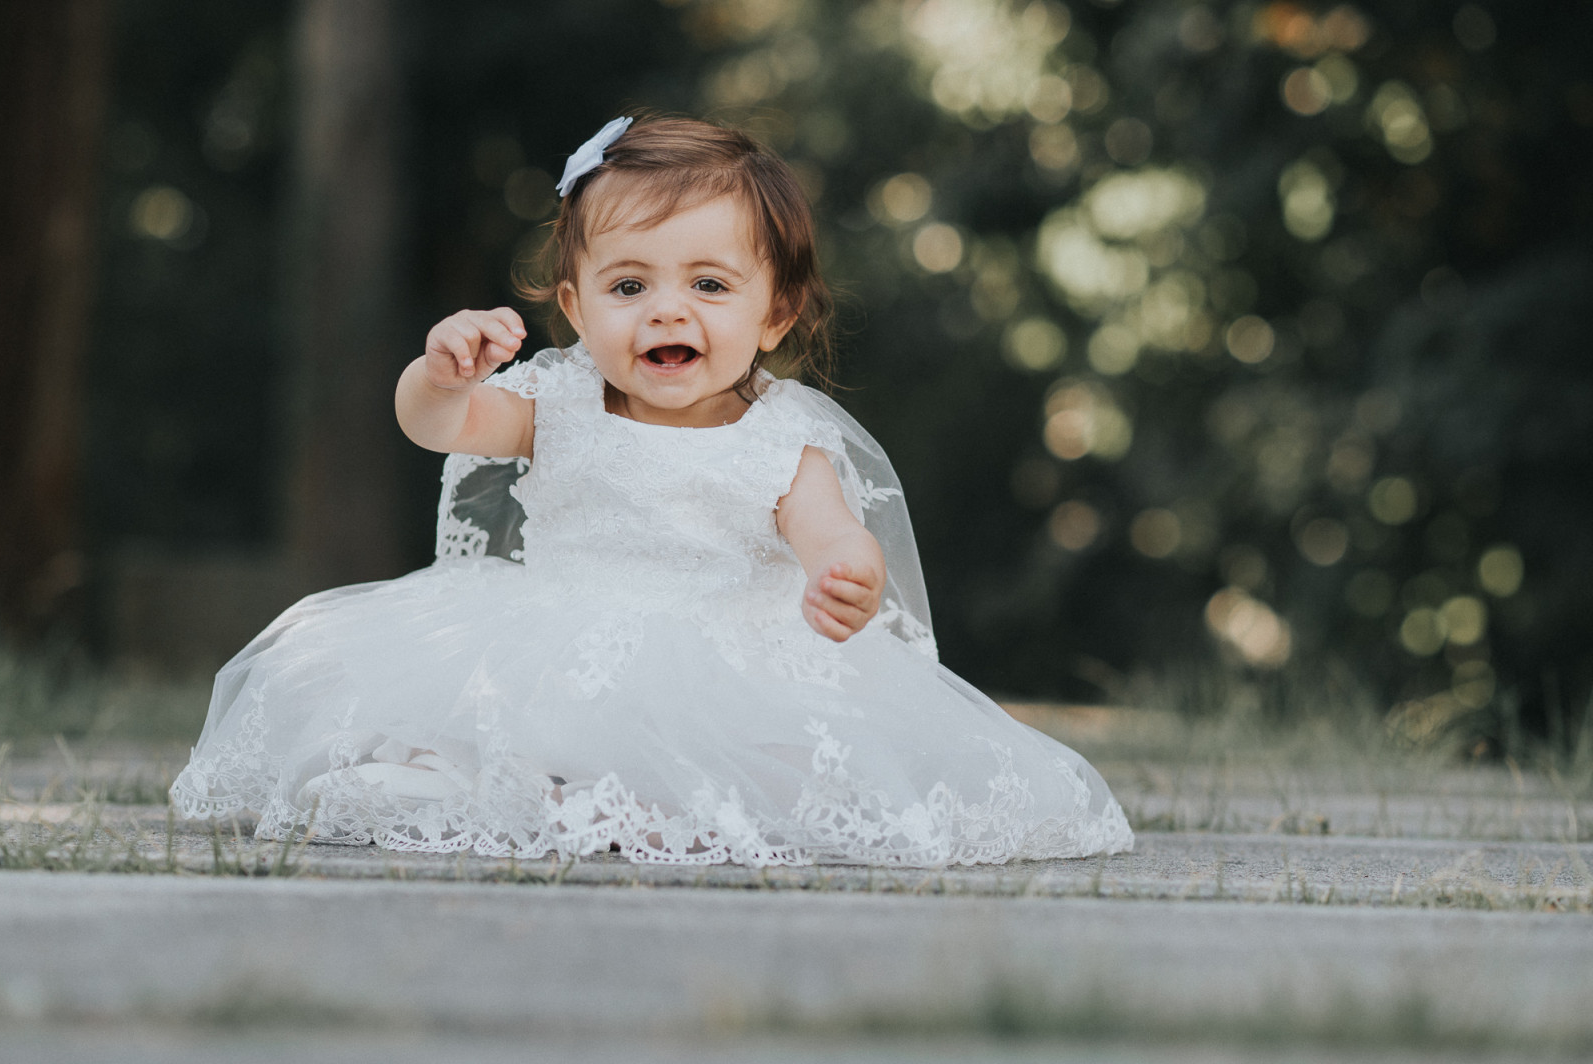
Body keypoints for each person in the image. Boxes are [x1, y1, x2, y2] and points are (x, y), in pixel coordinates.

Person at [169, 115, 1133, 866]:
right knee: (464, 732)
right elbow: (441, 428)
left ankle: (621, 809)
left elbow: (834, 534)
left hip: (724, 658)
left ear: (774, 313)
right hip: (552, 635)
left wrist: (848, 573)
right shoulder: (561, 402)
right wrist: (442, 374)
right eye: (629, 287)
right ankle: (530, 794)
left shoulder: (780, 440)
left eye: (710, 285)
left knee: (788, 771)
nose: (668, 309)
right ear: (578, 307)